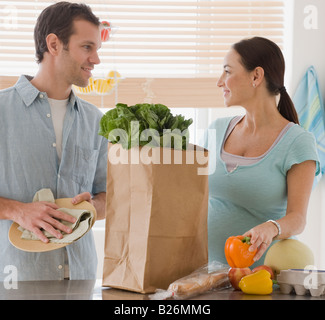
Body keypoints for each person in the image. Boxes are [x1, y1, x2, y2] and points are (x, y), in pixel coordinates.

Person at [0, 2, 108, 281]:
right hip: (16, 281)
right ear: (54, 44)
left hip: (81, 278)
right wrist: (17, 211)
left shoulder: (95, 120)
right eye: (87, 47)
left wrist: (93, 207)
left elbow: (108, 195)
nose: (96, 59)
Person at [203, 37, 320, 267]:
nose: (219, 82)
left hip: (261, 280)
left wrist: (271, 227)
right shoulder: (215, 130)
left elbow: (298, 219)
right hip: (205, 275)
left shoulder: (297, 142)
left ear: (256, 76)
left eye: (227, 72)